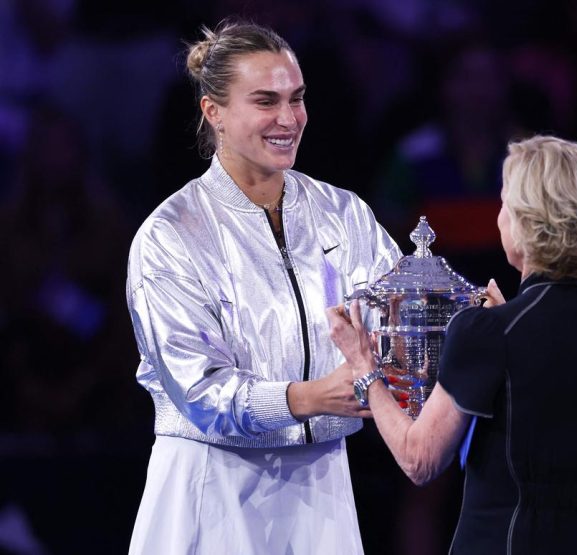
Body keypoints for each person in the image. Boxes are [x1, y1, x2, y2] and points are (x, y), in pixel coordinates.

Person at [125, 19, 400, 554]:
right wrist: (309, 397)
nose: (288, 119)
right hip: (212, 486)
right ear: (215, 113)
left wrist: (463, 323)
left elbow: (397, 322)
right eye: (265, 101)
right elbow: (198, 390)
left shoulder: (345, 215)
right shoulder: (170, 234)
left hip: (324, 487)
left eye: (296, 99)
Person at [328, 135, 577, 554]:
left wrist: (364, 364)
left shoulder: (489, 332)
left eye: (505, 203)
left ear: (530, 220)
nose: (500, 218)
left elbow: (419, 460)